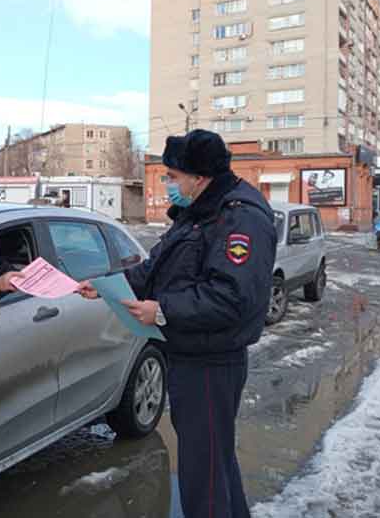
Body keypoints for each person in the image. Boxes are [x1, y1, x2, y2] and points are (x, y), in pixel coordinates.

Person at [78, 130, 277, 518]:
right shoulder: (201, 211)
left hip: (211, 363)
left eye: (172, 176)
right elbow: (157, 267)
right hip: (191, 353)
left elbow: (231, 298)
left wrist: (162, 310)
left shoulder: (239, 218)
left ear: (199, 177)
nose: (168, 183)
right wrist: (106, 286)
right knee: (213, 464)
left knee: (202, 474)